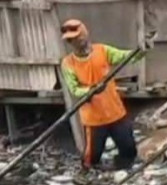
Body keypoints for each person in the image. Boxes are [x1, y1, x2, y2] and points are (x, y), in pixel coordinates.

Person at [59, 19, 148, 171]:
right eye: (70, 40)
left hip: (115, 113)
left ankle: (122, 172)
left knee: (129, 150)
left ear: (84, 35)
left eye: (76, 37)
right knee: (91, 159)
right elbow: (74, 90)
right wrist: (91, 90)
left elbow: (126, 57)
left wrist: (142, 50)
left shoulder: (102, 51)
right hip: (94, 120)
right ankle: (88, 182)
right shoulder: (68, 63)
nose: (74, 41)